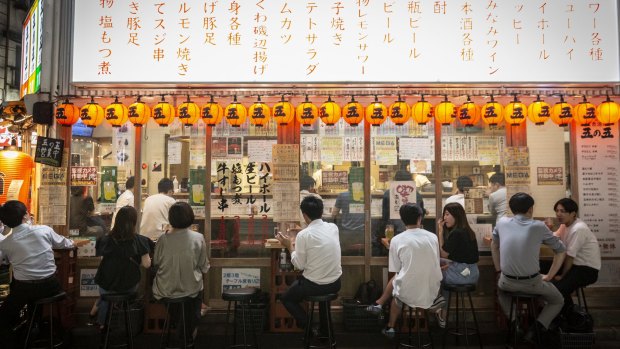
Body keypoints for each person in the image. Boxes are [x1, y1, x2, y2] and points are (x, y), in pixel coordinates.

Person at [491, 193, 566, 344]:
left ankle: (515, 323)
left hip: (507, 282)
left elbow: (494, 244)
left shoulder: (502, 223)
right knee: (558, 300)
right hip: (532, 283)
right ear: (531, 209)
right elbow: (561, 250)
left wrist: (499, 270)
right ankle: (535, 329)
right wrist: (550, 276)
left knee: (501, 291)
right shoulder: (538, 226)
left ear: (511, 209)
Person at [0, 200, 74, 347]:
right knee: (31, 295)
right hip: (51, 286)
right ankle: (34, 327)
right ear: (26, 215)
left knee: (3, 317)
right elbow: (66, 244)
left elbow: (4, 261)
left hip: (24, 290)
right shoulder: (43, 230)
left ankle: (23, 335)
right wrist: (73, 242)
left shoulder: (5, 243)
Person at [276, 196, 342, 337]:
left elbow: (299, 265)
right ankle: (325, 332)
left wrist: (289, 246)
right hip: (335, 283)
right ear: (321, 211)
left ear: (304, 215)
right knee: (322, 292)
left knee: (287, 298)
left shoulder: (304, 235)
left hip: (314, 285)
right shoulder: (333, 228)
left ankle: (310, 328)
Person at [381, 203, 442, 338]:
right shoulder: (433, 237)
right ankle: (434, 304)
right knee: (412, 284)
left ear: (402, 220)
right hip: (431, 289)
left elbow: (396, 269)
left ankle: (391, 327)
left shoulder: (396, 240)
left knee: (398, 291)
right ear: (420, 218)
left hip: (407, 293)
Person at [152, 202, 210, 344]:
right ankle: (186, 333)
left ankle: (182, 328)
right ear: (190, 217)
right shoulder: (198, 238)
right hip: (191, 291)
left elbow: (156, 263)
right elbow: (204, 267)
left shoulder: (162, 239)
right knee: (192, 299)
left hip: (164, 291)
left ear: (170, 218)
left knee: (178, 304)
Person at [94, 206, 151, 328]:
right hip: (129, 286)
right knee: (123, 289)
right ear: (134, 222)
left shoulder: (105, 240)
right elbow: (147, 264)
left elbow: (101, 260)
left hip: (106, 284)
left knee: (106, 295)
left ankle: (102, 324)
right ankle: (125, 324)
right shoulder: (140, 240)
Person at [435, 202, 480, 328]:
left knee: (435, 274)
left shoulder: (456, 233)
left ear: (457, 215)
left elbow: (443, 254)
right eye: (444, 214)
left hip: (460, 276)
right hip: (473, 274)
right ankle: (442, 314)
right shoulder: (469, 231)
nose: (444, 218)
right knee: (443, 272)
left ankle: (439, 308)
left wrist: (440, 231)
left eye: (447, 214)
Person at [551, 198, 601, 312]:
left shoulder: (579, 228)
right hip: (574, 265)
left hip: (586, 270)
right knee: (540, 266)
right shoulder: (565, 225)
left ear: (573, 213)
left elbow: (570, 256)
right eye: (557, 211)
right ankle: (564, 313)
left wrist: (562, 276)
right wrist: (547, 229)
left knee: (557, 288)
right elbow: (554, 237)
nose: (558, 214)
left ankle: (570, 316)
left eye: (562, 211)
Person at [332, 188, 364, 254]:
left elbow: (334, 214)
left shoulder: (342, 195)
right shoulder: (366, 194)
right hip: (363, 232)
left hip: (346, 233)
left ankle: (346, 259)